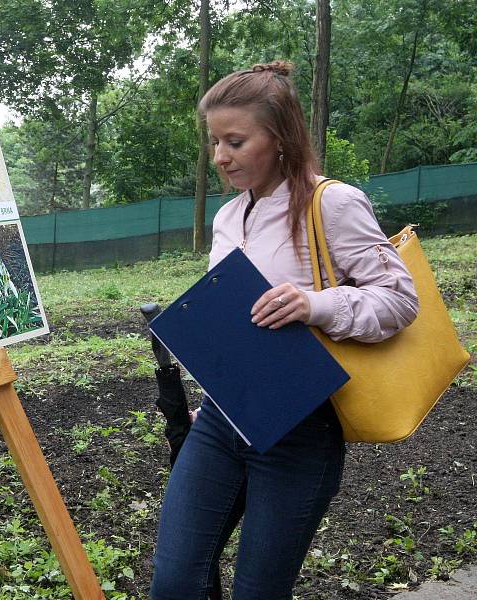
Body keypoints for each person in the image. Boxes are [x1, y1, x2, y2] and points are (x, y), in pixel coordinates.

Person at [149, 60, 419, 600]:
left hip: (302, 431)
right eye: (216, 142)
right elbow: (236, 324)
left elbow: (399, 299)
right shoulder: (228, 218)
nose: (221, 157)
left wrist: (315, 304)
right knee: (175, 582)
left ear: (280, 138)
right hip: (223, 425)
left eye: (235, 141)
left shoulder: (332, 204)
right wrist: (223, 389)